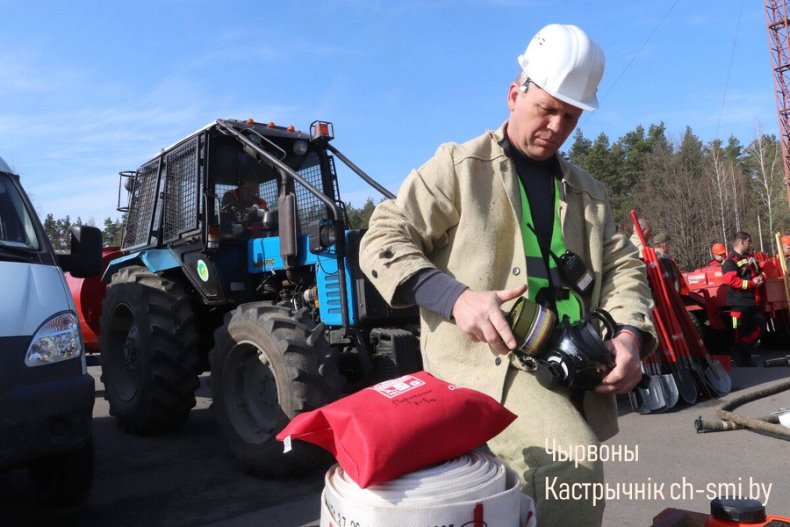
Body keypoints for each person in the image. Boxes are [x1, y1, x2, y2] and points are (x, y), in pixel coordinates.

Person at [359, 24, 655, 527]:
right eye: (546, 108)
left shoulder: (590, 193)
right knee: (572, 469)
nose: (557, 126)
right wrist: (457, 299)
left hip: (569, 368)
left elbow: (626, 268)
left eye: (571, 115)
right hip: (488, 367)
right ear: (514, 93)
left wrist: (628, 338)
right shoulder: (459, 167)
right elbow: (382, 237)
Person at [721, 231, 765, 367]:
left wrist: (760, 278)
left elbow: (760, 272)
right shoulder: (730, 261)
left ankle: (741, 352)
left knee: (759, 328)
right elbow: (731, 281)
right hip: (740, 303)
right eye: (749, 241)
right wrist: (752, 283)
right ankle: (743, 358)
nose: (751, 244)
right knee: (740, 332)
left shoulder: (750, 258)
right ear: (742, 242)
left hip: (753, 302)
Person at [220, 169, 268, 237]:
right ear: (243, 184)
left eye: (254, 192)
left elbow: (269, 217)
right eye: (249, 191)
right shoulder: (230, 196)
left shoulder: (259, 202)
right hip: (234, 240)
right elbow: (238, 216)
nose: (252, 194)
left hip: (257, 240)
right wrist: (255, 212)